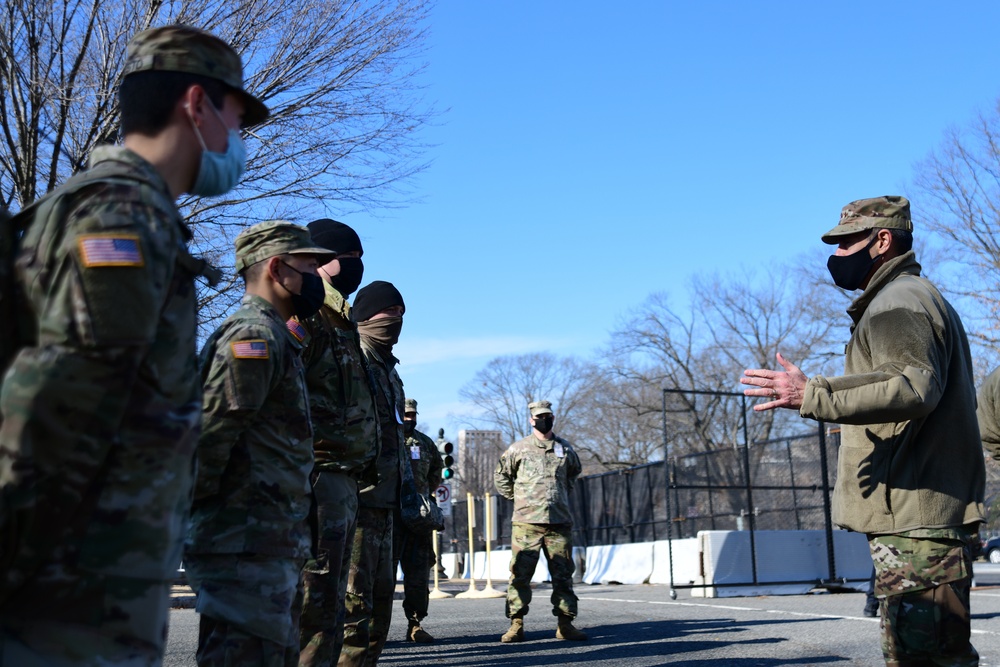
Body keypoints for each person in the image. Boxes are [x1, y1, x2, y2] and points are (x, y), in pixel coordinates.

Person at [0, 24, 267, 665]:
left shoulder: (106, 208)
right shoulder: (124, 218)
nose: (238, 141)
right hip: (74, 595)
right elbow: (59, 405)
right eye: (236, 119)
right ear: (196, 105)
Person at [740, 195, 985, 666]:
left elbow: (914, 388)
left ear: (882, 241)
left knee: (928, 660)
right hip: (914, 522)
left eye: (847, 241)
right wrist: (852, 427)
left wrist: (814, 394)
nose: (836, 254)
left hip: (917, 525)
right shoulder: (907, 297)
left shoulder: (898, 301)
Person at [185, 221, 334, 666]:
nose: (317, 277)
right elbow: (210, 436)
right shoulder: (254, 337)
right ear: (276, 268)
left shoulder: (276, 335)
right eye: (308, 265)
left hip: (263, 541)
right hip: (244, 543)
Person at [297, 219, 380, 667]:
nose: (357, 268)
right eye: (350, 259)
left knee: (331, 609)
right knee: (312, 607)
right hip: (315, 479)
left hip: (345, 483)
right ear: (321, 260)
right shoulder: (305, 315)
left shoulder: (344, 319)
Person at [339, 280, 408, 666]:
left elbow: (396, 439)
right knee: (352, 609)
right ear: (365, 316)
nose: (395, 320)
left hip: (388, 507)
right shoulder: (351, 358)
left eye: (400, 314)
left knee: (380, 609)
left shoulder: (391, 372)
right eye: (388, 312)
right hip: (357, 505)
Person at [494, 400, 587, 643]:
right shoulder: (518, 449)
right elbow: (501, 477)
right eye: (538, 417)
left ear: (552, 418)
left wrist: (559, 496)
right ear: (531, 420)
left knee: (563, 575)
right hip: (527, 524)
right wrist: (521, 499)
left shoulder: (565, 449)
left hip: (559, 523)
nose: (543, 420)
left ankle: (565, 624)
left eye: (547, 416)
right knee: (520, 575)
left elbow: (574, 473)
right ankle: (516, 625)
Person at [397, 398, 444, 642]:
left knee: (417, 575)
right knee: (377, 577)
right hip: (388, 516)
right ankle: (371, 627)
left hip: (417, 520)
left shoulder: (424, 444)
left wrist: (422, 498)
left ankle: (414, 624)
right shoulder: (384, 437)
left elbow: (436, 472)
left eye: (412, 415)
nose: (409, 419)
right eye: (405, 414)